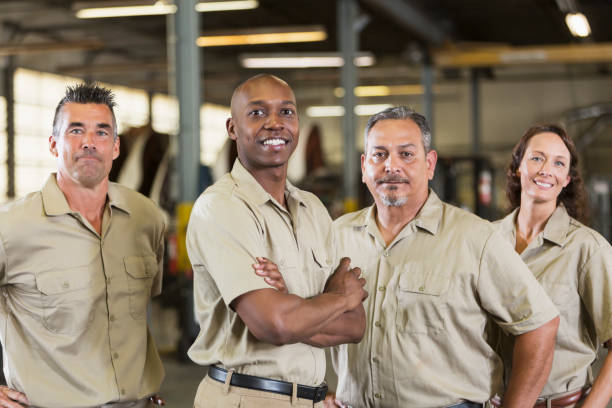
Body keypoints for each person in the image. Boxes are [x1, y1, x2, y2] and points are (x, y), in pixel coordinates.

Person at [327, 106, 560, 408]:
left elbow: (540, 325)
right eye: (379, 154)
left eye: (407, 154)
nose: (391, 166)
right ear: (363, 166)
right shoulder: (336, 236)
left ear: (429, 164)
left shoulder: (475, 238)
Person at [186, 74, 367, 408]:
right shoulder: (222, 207)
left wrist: (290, 301)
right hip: (246, 397)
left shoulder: (313, 209)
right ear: (232, 128)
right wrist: (340, 299)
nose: (275, 124)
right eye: (257, 113)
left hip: (311, 399)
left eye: (286, 112)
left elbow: (355, 326)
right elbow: (275, 324)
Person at [0, 83, 166, 408]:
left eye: (102, 132)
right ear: (53, 144)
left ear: (116, 147)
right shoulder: (11, 228)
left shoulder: (147, 218)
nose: (89, 142)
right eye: (76, 131)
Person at [495, 124, 612, 407]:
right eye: (537, 158)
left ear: (567, 179)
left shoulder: (586, 248)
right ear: (517, 167)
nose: (547, 169)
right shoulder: (486, 241)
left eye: (559, 163)